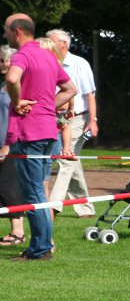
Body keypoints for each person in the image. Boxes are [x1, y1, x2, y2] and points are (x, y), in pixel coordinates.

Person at [4, 13, 76, 261]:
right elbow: (70, 89)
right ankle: (42, 246)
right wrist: (47, 108)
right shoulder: (48, 55)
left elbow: (11, 78)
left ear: (16, 32)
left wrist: (17, 101)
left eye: (5, 30)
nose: (4, 35)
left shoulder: (22, 55)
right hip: (47, 131)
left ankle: (41, 249)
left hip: (30, 132)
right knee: (37, 192)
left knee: (33, 193)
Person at [45, 29, 97, 218]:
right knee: (72, 161)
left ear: (63, 44)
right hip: (52, 117)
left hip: (76, 118)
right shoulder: (48, 62)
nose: (46, 45)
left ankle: (52, 206)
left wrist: (93, 120)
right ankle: (85, 208)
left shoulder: (79, 63)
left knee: (65, 159)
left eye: (50, 41)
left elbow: (90, 94)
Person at [0, 45, 26, 247]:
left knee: (10, 187)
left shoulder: (18, 85)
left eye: (4, 60)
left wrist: (8, 145)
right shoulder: (4, 85)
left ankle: (19, 232)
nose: (1, 64)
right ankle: (14, 230)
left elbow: (17, 117)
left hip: (11, 144)